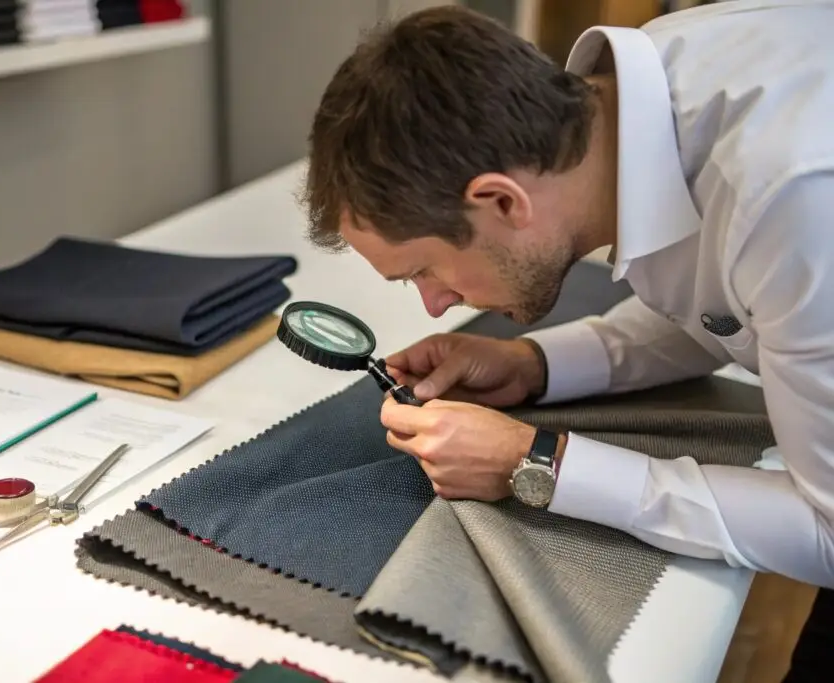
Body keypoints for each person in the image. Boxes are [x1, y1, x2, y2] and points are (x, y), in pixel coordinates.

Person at [298, 1, 834, 679]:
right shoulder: (647, 101)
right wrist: (530, 364)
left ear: (501, 201)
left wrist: (540, 464)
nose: (435, 304)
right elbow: (732, 300)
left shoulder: (793, 199)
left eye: (424, 271)